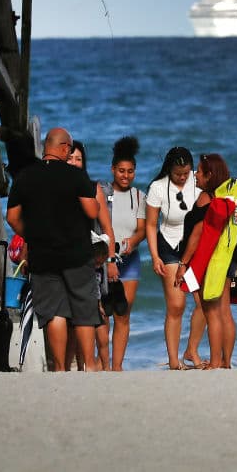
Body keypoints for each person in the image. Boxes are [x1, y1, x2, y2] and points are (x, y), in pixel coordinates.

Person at [5, 128, 104, 371]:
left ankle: (59, 368)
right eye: (69, 150)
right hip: (77, 255)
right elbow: (92, 211)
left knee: (55, 313)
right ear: (63, 148)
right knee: (83, 311)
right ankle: (89, 366)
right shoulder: (75, 176)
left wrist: (30, 233)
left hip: (43, 256)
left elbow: (12, 217)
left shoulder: (26, 177)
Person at [175, 153, 237, 369]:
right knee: (224, 312)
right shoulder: (226, 196)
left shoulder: (207, 199)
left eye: (200, 172)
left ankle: (214, 363)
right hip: (228, 257)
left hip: (210, 260)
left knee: (211, 311)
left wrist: (183, 264)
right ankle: (225, 362)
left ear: (209, 175)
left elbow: (197, 234)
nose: (195, 175)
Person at [145, 146, 206, 370]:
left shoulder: (196, 181)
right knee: (176, 304)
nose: (183, 177)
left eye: (186, 173)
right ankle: (173, 361)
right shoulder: (158, 188)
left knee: (204, 303)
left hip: (194, 246)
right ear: (169, 169)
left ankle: (192, 350)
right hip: (169, 246)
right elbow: (151, 225)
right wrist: (154, 256)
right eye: (178, 173)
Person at [66, 140, 118, 370]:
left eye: (79, 159)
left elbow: (107, 228)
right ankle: (78, 365)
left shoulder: (93, 188)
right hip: (64, 259)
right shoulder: (57, 188)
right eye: (70, 158)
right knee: (70, 317)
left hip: (91, 260)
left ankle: (102, 364)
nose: (75, 163)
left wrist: (111, 260)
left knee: (96, 314)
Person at [98, 136, 147, 371]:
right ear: (113, 170)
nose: (125, 175)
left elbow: (142, 230)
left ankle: (117, 367)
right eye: (121, 171)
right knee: (103, 313)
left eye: (129, 171)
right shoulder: (102, 192)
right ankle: (102, 363)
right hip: (104, 259)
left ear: (135, 172)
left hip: (130, 261)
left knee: (123, 314)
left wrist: (133, 241)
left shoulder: (139, 196)